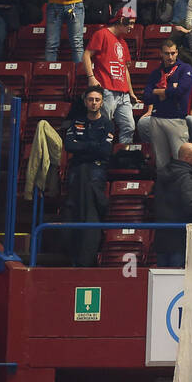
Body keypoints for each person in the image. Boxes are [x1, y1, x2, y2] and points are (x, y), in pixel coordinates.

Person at [61, 86, 114, 268]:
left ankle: (88, 253)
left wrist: (83, 145)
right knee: (74, 205)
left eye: (97, 100)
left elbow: (105, 151)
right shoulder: (76, 122)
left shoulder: (107, 124)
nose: (93, 103)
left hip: (96, 169)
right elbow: (69, 146)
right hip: (77, 168)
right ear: (85, 102)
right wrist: (92, 146)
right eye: (90, 99)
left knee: (92, 203)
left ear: (101, 102)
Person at [153, 142, 192, 267]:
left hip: (162, 234)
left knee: (162, 277)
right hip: (180, 237)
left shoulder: (163, 173)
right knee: (177, 280)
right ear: (187, 158)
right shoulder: (187, 178)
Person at [137, 39, 192, 171]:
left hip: (176, 119)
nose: (170, 57)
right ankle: (163, 190)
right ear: (161, 54)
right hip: (157, 119)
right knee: (161, 163)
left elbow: (180, 91)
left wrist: (157, 91)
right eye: (167, 53)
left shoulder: (185, 68)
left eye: (173, 53)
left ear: (177, 53)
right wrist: (168, 90)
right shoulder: (156, 73)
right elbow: (146, 97)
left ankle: (183, 190)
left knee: (181, 160)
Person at [83, 13, 140, 144]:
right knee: (103, 126)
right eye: (129, 23)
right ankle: (100, 158)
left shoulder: (123, 42)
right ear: (121, 20)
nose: (132, 27)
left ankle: (124, 157)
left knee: (129, 126)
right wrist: (91, 77)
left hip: (123, 93)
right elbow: (86, 55)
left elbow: (124, 69)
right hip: (107, 89)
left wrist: (131, 92)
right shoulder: (102, 34)